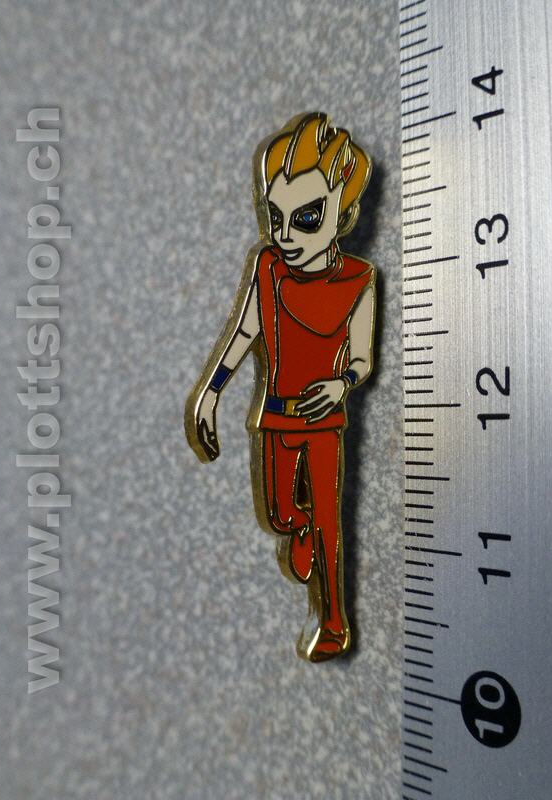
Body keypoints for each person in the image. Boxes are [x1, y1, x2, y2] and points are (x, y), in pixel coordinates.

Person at [185, 112, 376, 662]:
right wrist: (212, 392)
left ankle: (333, 622)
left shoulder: (360, 279)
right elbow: (245, 332)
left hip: (325, 419)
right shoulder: (269, 266)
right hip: (274, 415)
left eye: (307, 217)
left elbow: (362, 357)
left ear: (344, 213)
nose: (286, 234)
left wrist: (343, 383)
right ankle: (299, 530)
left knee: (329, 521)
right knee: (279, 514)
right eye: (276, 216)